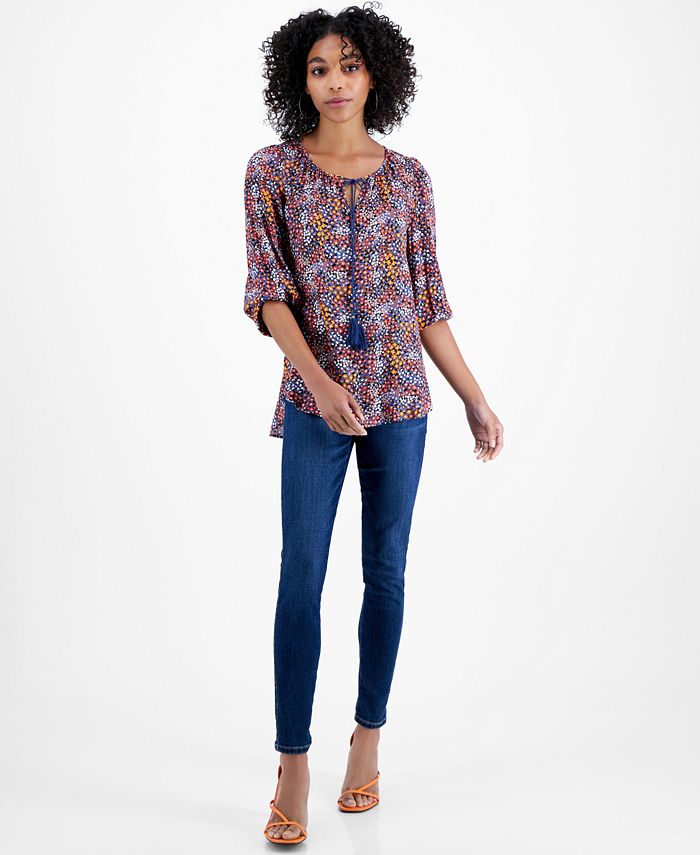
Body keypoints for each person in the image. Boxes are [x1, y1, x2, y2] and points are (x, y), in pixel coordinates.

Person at [243, 5, 504, 845]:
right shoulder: (272, 171)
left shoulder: (410, 179)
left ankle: (368, 736)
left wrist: (473, 396)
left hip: (401, 403)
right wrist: (317, 383)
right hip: (314, 404)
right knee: (301, 575)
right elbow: (268, 293)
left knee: (385, 573)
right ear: (299, 80)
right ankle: (292, 760)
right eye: (319, 68)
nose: (335, 82)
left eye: (349, 65)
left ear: (375, 75)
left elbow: (427, 303)